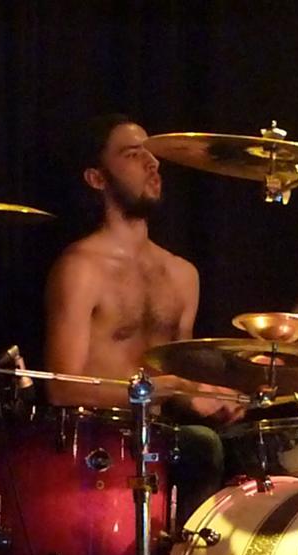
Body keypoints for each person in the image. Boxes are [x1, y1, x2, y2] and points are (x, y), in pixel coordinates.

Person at [43, 113, 245, 516]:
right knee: (202, 446)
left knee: (241, 449)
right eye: (134, 154)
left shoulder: (183, 274)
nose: (152, 163)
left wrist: (215, 395)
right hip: (99, 446)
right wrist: (173, 387)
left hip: (164, 439)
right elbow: (62, 388)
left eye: (152, 154)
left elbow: (181, 377)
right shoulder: (81, 268)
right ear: (97, 178)